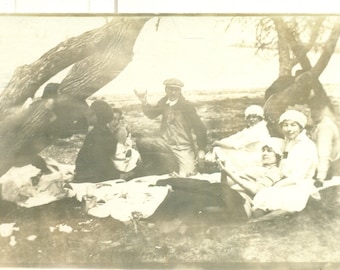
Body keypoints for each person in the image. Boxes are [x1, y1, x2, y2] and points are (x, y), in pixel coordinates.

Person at [134, 78, 207, 177]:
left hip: (182, 147)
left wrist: (201, 149)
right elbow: (151, 114)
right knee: (142, 142)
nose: (173, 92)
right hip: (164, 143)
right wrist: (144, 102)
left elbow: (200, 127)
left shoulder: (187, 106)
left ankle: (178, 166)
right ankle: (153, 167)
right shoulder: (164, 102)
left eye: (176, 90)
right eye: (170, 89)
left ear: (180, 91)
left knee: (188, 174)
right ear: (166, 90)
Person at [252, 110, 318, 216]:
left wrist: (275, 186)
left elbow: (297, 177)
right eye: (285, 125)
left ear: (301, 127)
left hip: (299, 186)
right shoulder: (289, 142)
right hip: (285, 182)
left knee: (266, 196)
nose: (289, 129)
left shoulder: (306, 146)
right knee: (260, 201)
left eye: (293, 125)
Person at [218, 137, 283, 217]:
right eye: (263, 150)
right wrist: (223, 171)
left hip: (241, 199)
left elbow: (257, 190)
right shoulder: (257, 167)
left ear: (277, 155)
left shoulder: (274, 171)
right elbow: (226, 184)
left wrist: (230, 174)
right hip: (229, 193)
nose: (264, 153)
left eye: (269, 151)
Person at [208, 105, 271, 170]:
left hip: (256, 158)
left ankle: (221, 168)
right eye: (249, 117)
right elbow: (237, 136)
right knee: (221, 147)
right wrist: (222, 142)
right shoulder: (253, 128)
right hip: (250, 153)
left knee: (222, 149)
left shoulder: (258, 130)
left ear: (260, 118)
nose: (251, 119)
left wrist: (217, 143)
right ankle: (219, 166)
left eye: (254, 117)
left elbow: (235, 145)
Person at [73, 100, 120, 183]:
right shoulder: (105, 132)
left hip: (91, 178)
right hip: (94, 175)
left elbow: (100, 163)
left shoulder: (96, 135)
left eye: (91, 113)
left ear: (98, 116)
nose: (87, 115)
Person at [308, 96, 340, 185]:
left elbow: (324, 154)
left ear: (324, 109)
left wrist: (320, 178)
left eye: (318, 109)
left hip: (324, 171)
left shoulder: (325, 128)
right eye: (312, 108)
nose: (314, 112)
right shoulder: (319, 123)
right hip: (319, 168)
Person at [109, 107, 142, 180]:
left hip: (122, 159)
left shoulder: (121, 131)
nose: (116, 122)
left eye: (118, 119)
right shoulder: (106, 131)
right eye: (113, 119)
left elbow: (122, 149)